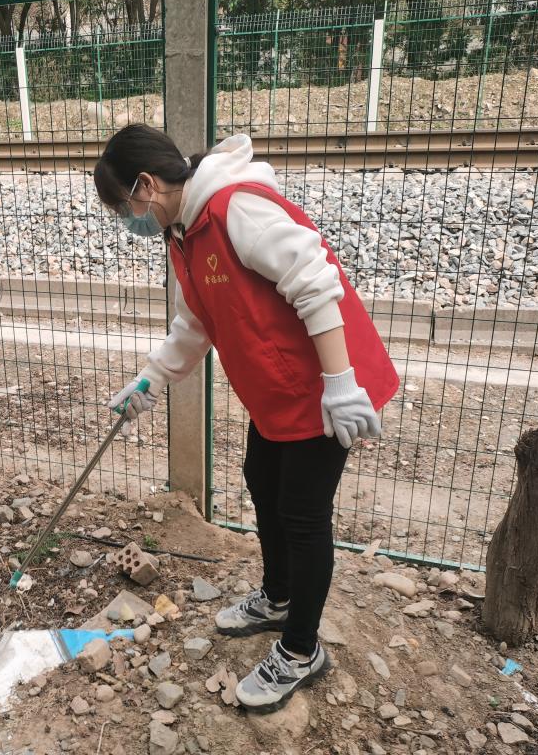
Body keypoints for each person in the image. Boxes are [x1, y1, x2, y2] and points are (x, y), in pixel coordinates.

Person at [96, 124, 399, 712]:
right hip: (277, 392)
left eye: (123, 206)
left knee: (303, 516)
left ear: (146, 185)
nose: (128, 220)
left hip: (322, 385)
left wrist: (340, 384)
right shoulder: (184, 234)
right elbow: (195, 323)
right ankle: (279, 596)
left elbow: (316, 282)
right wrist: (150, 380)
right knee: (261, 481)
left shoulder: (236, 209)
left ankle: (302, 649)